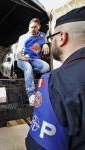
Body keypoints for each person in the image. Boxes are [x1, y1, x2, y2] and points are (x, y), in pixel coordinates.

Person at [26, 6, 85, 150]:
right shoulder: (25, 37)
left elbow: (38, 146)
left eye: (51, 38)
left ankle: (30, 93)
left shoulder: (54, 81)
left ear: (62, 37)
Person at [16, 18, 50, 106]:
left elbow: (48, 37)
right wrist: (22, 57)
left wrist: (46, 44)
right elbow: (18, 53)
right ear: (28, 28)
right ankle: (31, 95)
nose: (33, 29)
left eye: (35, 27)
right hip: (22, 59)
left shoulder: (43, 35)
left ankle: (29, 73)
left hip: (34, 60)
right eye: (31, 27)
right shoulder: (23, 37)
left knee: (46, 67)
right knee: (28, 67)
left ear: (39, 27)